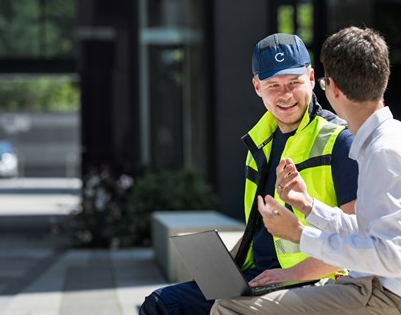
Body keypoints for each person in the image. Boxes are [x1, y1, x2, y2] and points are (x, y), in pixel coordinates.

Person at [211, 26, 401, 315]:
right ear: (384, 80)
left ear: (330, 87)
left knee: (230, 308)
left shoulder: (384, 151)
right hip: (381, 291)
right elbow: (369, 231)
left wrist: (300, 234)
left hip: (394, 301)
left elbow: (390, 257)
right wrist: (311, 207)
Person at [139, 33, 359, 314]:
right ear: (257, 87)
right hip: (259, 278)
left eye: (294, 82)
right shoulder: (260, 143)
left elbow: (359, 243)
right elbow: (259, 229)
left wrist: (291, 274)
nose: (286, 95)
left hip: (314, 283)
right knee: (162, 304)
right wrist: (222, 267)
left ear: (312, 77)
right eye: (273, 86)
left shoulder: (340, 141)